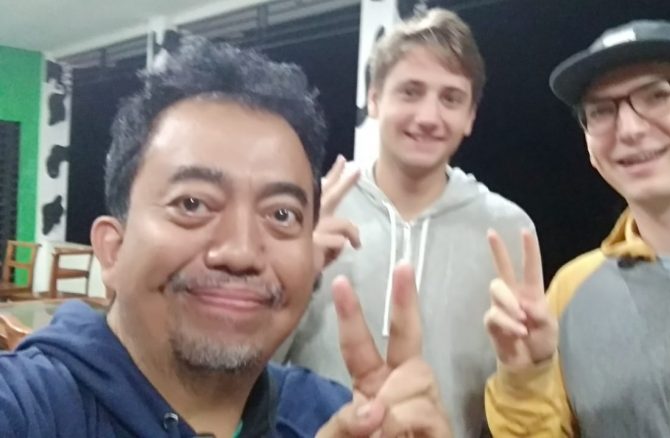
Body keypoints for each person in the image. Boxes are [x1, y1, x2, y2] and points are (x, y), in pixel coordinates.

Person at [0, 35, 451, 438]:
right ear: (112, 250)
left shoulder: (334, 416)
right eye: (192, 204)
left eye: (281, 214)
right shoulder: (32, 406)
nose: (240, 251)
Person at [483, 19, 670, 437]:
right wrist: (525, 380)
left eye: (658, 95)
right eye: (601, 111)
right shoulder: (571, 291)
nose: (630, 128)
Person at [281, 7, 535, 436]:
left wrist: (535, 362)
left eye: (450, 98)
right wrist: (293, 270)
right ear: (374, 99)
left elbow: (521, 390)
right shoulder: (311, 212)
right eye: (410, 92)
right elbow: (246, 365)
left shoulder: (508, 230)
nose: (428, 117)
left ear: (470, 116)